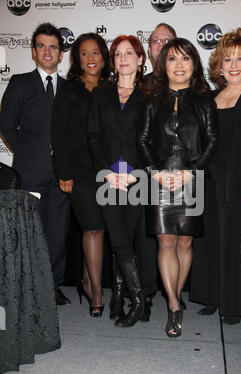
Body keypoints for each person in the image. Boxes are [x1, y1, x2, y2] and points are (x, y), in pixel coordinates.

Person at [138, 38, 218, 337]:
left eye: (186, 59)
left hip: (192, 181)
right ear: (164, 65)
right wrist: (155, 173)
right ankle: (173, 304)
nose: (179, 65)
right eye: (173, 59)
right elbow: (142, 141)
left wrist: (192, 172)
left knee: (185, 243)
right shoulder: (151, 99)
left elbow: (212, 141)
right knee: (165, 243)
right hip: (159, 181)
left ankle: (176, 293)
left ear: (194, 64)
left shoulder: (204, 100)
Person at [191, 28, 241, 325]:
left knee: (235, 244)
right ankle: (212, 297)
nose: (234, 64)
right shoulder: (210, 98)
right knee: (210, 241)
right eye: (228, 59)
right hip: (211, 181)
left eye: (240, 58)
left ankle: (234, 304)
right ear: (220, 66)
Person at [0, 23, 71, 306]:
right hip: (30, 172)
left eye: (53, 46)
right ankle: (28, 288)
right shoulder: (20, 82)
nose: (47, 51)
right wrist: (28, 152)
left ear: (61, 53)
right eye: (41, 46)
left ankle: (51, 287)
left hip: (63, 174)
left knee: (57, 232)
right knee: (29, 232)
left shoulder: (69, 88)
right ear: (33, 51)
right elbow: (6, 124)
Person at [87, 35, 147, 328]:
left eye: (129, 53)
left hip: (137, 178)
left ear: (140, 58)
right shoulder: (101, 94)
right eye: (118, 54)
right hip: (108, 176)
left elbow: (152, 140)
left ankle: (118, 295)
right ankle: (138, 300)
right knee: (118, 239)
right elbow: (93, 136)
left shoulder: (149, 94)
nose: (123, 58)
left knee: (126, 238)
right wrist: (108, 171)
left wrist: (136, 173)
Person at [51, 33, 111, 317]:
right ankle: (97, 291)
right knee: (92, 226)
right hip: (78, 170)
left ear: (104, 57)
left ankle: (88, 280)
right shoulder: (69, 90)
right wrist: (63, 171)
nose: (90, 59)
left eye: (96, 52)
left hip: (108, 170)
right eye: (84, 53)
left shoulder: (112, 88)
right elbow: (58, 133)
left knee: (102, 227)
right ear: (77, 58)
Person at [136, 23, 177, 320]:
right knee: (145, 237)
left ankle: (174, 295)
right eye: (155, 40)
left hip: (178, 176)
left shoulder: (187, 83)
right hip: (142, 173)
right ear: (149, 48)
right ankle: (147, 293)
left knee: (176, 238)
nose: (160, 45)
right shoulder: (138, 85)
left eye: (167, 40)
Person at [145, 23, 177, 87]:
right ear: (149, 50)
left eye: (167, 40)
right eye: (156, 40)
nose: (161, 43)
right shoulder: (141, 85)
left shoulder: (190, 83)